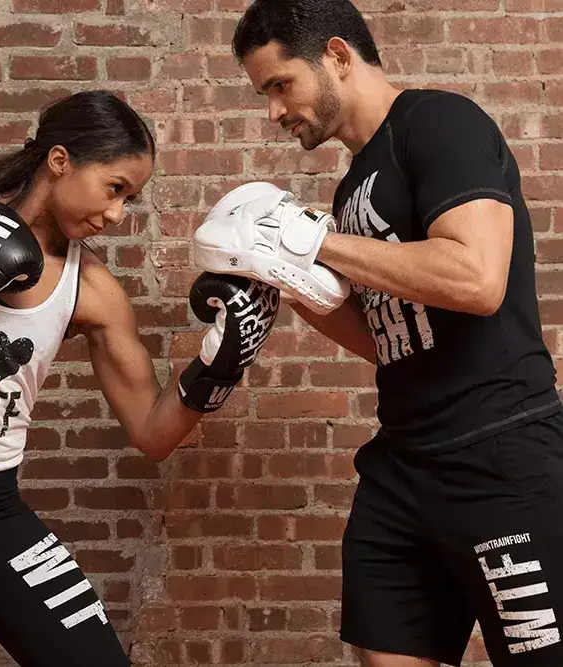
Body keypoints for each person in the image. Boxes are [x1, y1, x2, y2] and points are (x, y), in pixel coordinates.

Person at [0, 89, 280, 667]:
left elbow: (152, 433)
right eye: (114, 188)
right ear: (61, 160)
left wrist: (218, 368)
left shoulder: (92, 290)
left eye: (131, 199)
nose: (118, 214)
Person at [192, 1, 563, 665]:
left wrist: (313, 242)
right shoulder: (351, 188)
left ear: (336, 55)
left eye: (280, 85)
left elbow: (476, 278)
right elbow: (389, 338)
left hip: (498, 456)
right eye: (263, 94)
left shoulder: (439, 124)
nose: (273, 111)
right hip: (403, 465)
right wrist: (287, 277)